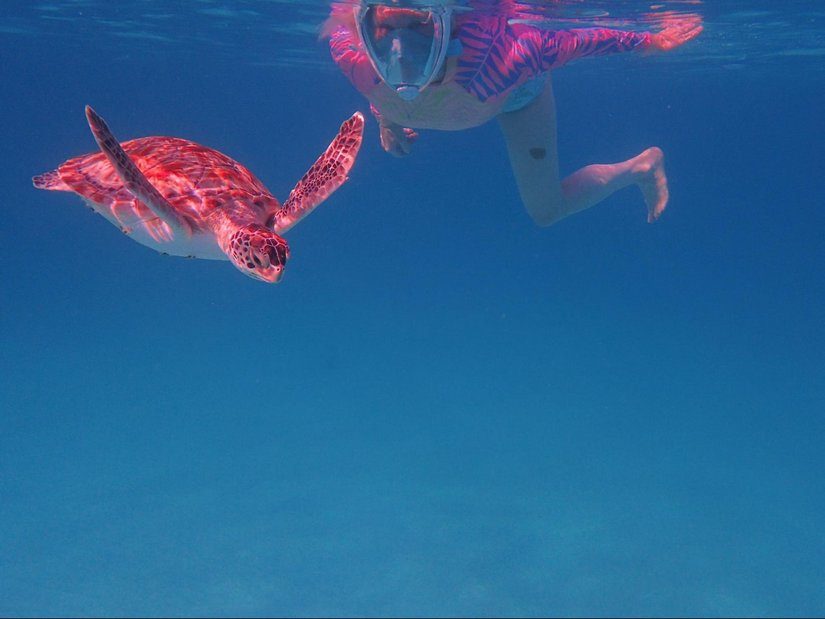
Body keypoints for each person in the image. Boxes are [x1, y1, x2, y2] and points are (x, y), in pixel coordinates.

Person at [323, 2, 702, 225]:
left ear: (448, 26)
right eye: (385, 30)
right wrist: (388, 120)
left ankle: (641, 167)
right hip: (477, 99)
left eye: (419, 28)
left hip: (519, 95)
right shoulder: (352, 55)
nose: (400, 52)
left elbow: (586, 40)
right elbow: (381, 82)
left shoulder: (506, 57)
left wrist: (650, 40)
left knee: (546, 210)